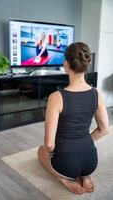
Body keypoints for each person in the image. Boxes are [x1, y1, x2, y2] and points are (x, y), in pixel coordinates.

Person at [38, 42, 109, 194]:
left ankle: (63, 179)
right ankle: (86, 175)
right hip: (91, 161)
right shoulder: (96, 94)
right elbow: (104, 130)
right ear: (86, 64)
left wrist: (48, 151)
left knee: (40, 151)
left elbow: (50, 144)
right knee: (80, 159)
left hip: (65, 164)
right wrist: (84, 141)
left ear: (66, 64)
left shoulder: (56, 97)